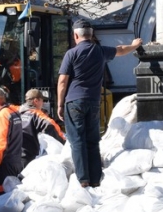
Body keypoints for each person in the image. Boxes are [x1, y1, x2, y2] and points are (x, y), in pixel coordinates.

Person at [57, 20, 142, 187]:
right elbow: (121, 50)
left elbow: (62, 82)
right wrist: (134, 45)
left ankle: (83, 179)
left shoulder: (71, 54)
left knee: (77, 141)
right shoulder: (100, 51)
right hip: (94, 102)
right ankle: (96, 179)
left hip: (74, 102)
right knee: (93, 140)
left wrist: (60, 104)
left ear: (76, 35)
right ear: (91, 34)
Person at [19, 89, 65, 168]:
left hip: (13, 156)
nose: (43, 103)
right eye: (42, 101)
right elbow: (50, 126)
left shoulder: (16, 111)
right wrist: (64, 142)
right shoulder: (36, 114)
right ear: (36, 101)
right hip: (28, 156)